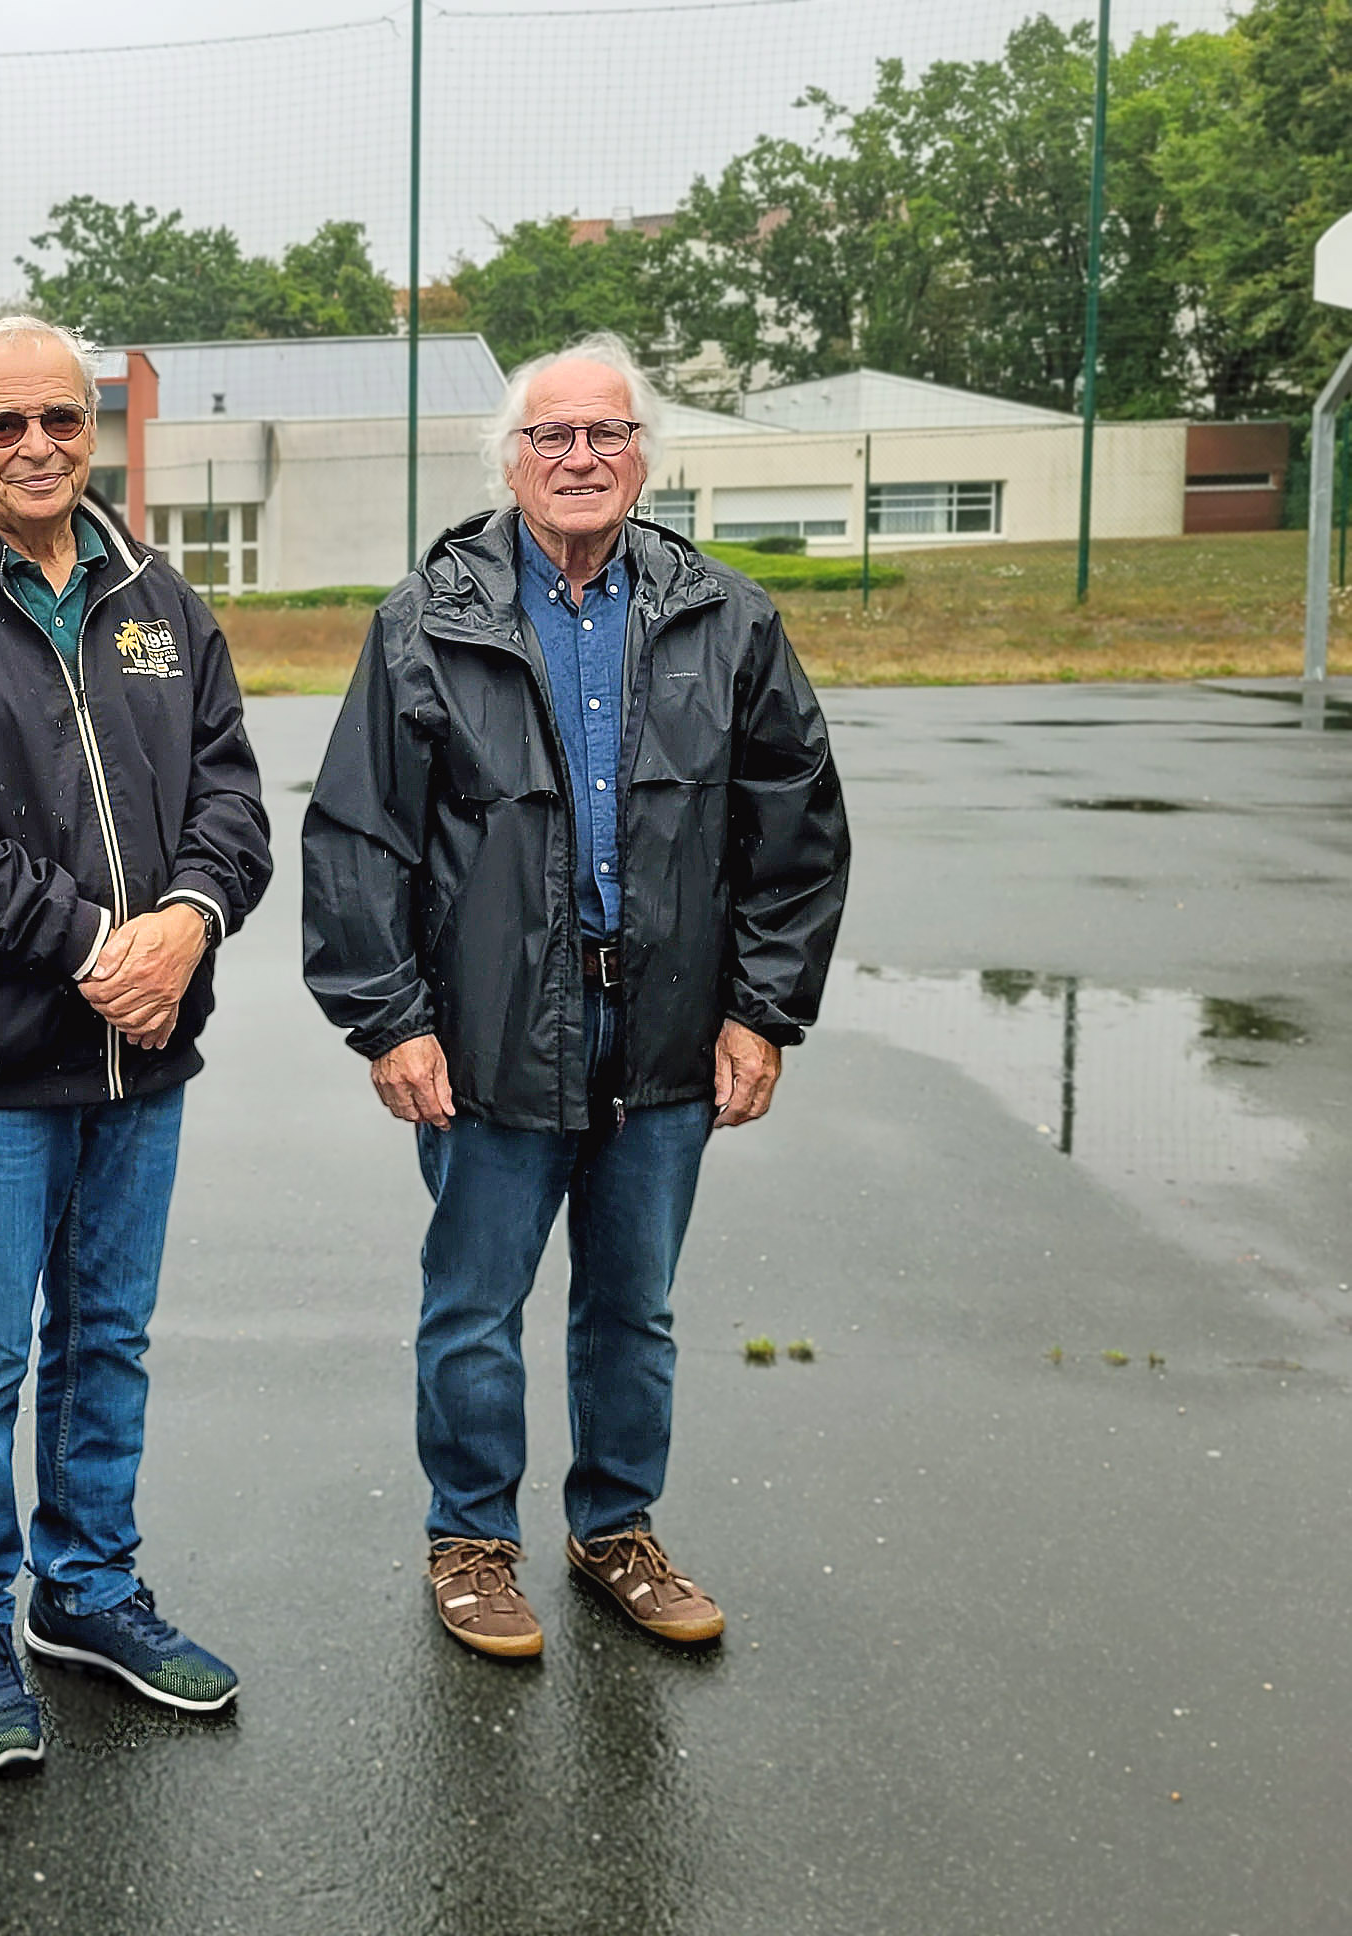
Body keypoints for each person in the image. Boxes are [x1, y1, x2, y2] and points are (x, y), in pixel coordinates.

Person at [302, 331, 851, 1659]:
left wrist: (760, 1010)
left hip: (664, 1030)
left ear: (643, 457)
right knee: (473, 1307)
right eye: (552, 436)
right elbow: (357, 837)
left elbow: (796, 830)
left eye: (605, 434)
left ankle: (616, 1531)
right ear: (510, 459)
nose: (580, 458)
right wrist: (392, 1020)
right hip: (489, 1035)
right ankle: (471, 1543)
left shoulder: (726, 618)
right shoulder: (424, 621)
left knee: (632, 1309)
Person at [0, 315, 272, 1770]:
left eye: (61, 421)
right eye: (3, 424)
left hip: (146, 1058)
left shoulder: (159, 596)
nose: (36, 447)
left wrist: (191, 920)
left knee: (108, 1343)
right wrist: (96, 943)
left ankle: (85, 1591)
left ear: (96, 430)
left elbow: (230, 796)